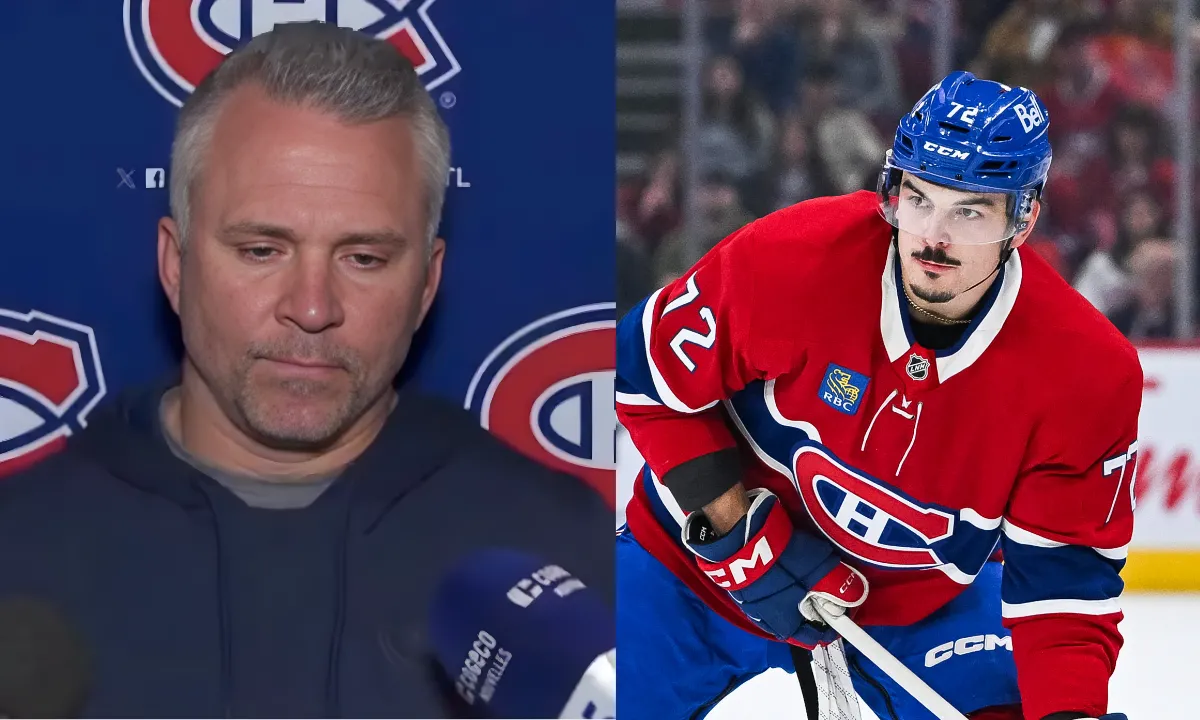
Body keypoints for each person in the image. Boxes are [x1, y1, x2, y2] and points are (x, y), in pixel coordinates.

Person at [0, 22, 612, 717]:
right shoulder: (20, 551)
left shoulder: (564, 558)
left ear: (427, 283)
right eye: (262, 250)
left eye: (364, 258)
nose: (312, 308)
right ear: (175, 264)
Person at [615, 71, 1136, 720]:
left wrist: (1070, 713)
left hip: (915, 609)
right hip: (694, 564)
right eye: (918, 199)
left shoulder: (1086, 374)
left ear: (1022, 217)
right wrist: (734, 527)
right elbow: (643, 374)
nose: (933, 239)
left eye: (969, 211)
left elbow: (1065, 586)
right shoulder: (793, 259)